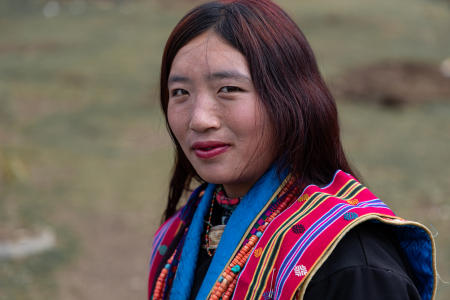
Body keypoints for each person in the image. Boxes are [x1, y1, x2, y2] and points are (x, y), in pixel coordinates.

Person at [148, 1, 437, 299]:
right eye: (180, 93)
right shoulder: (183, 233)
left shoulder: (351, 263)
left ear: (290, 98)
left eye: (229, 89)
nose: (199, 120)